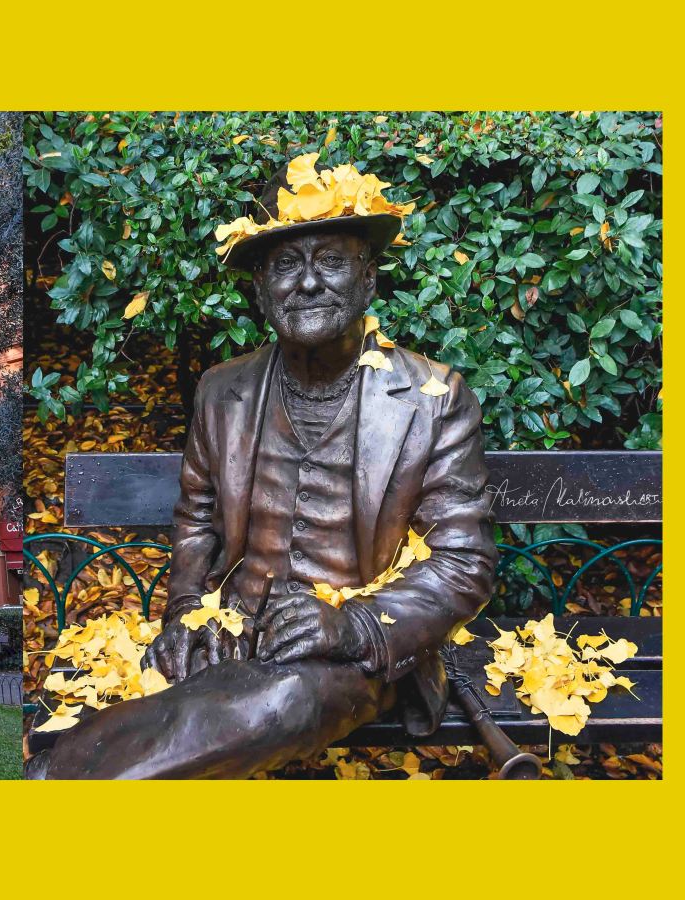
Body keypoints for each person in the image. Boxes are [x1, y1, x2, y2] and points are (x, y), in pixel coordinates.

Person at [27, 155, 496, 779]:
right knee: (228, 694)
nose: (306, 284)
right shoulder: (223, 391)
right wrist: (189, 616)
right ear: (260, 289)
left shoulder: (432, 398)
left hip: (351, 652)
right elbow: (196, 521)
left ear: (368, 281)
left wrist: (353, 626)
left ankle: (58, 775)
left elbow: (465, 561)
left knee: (285, 698)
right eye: (284, 265)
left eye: (330, 262)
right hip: (232, 625)